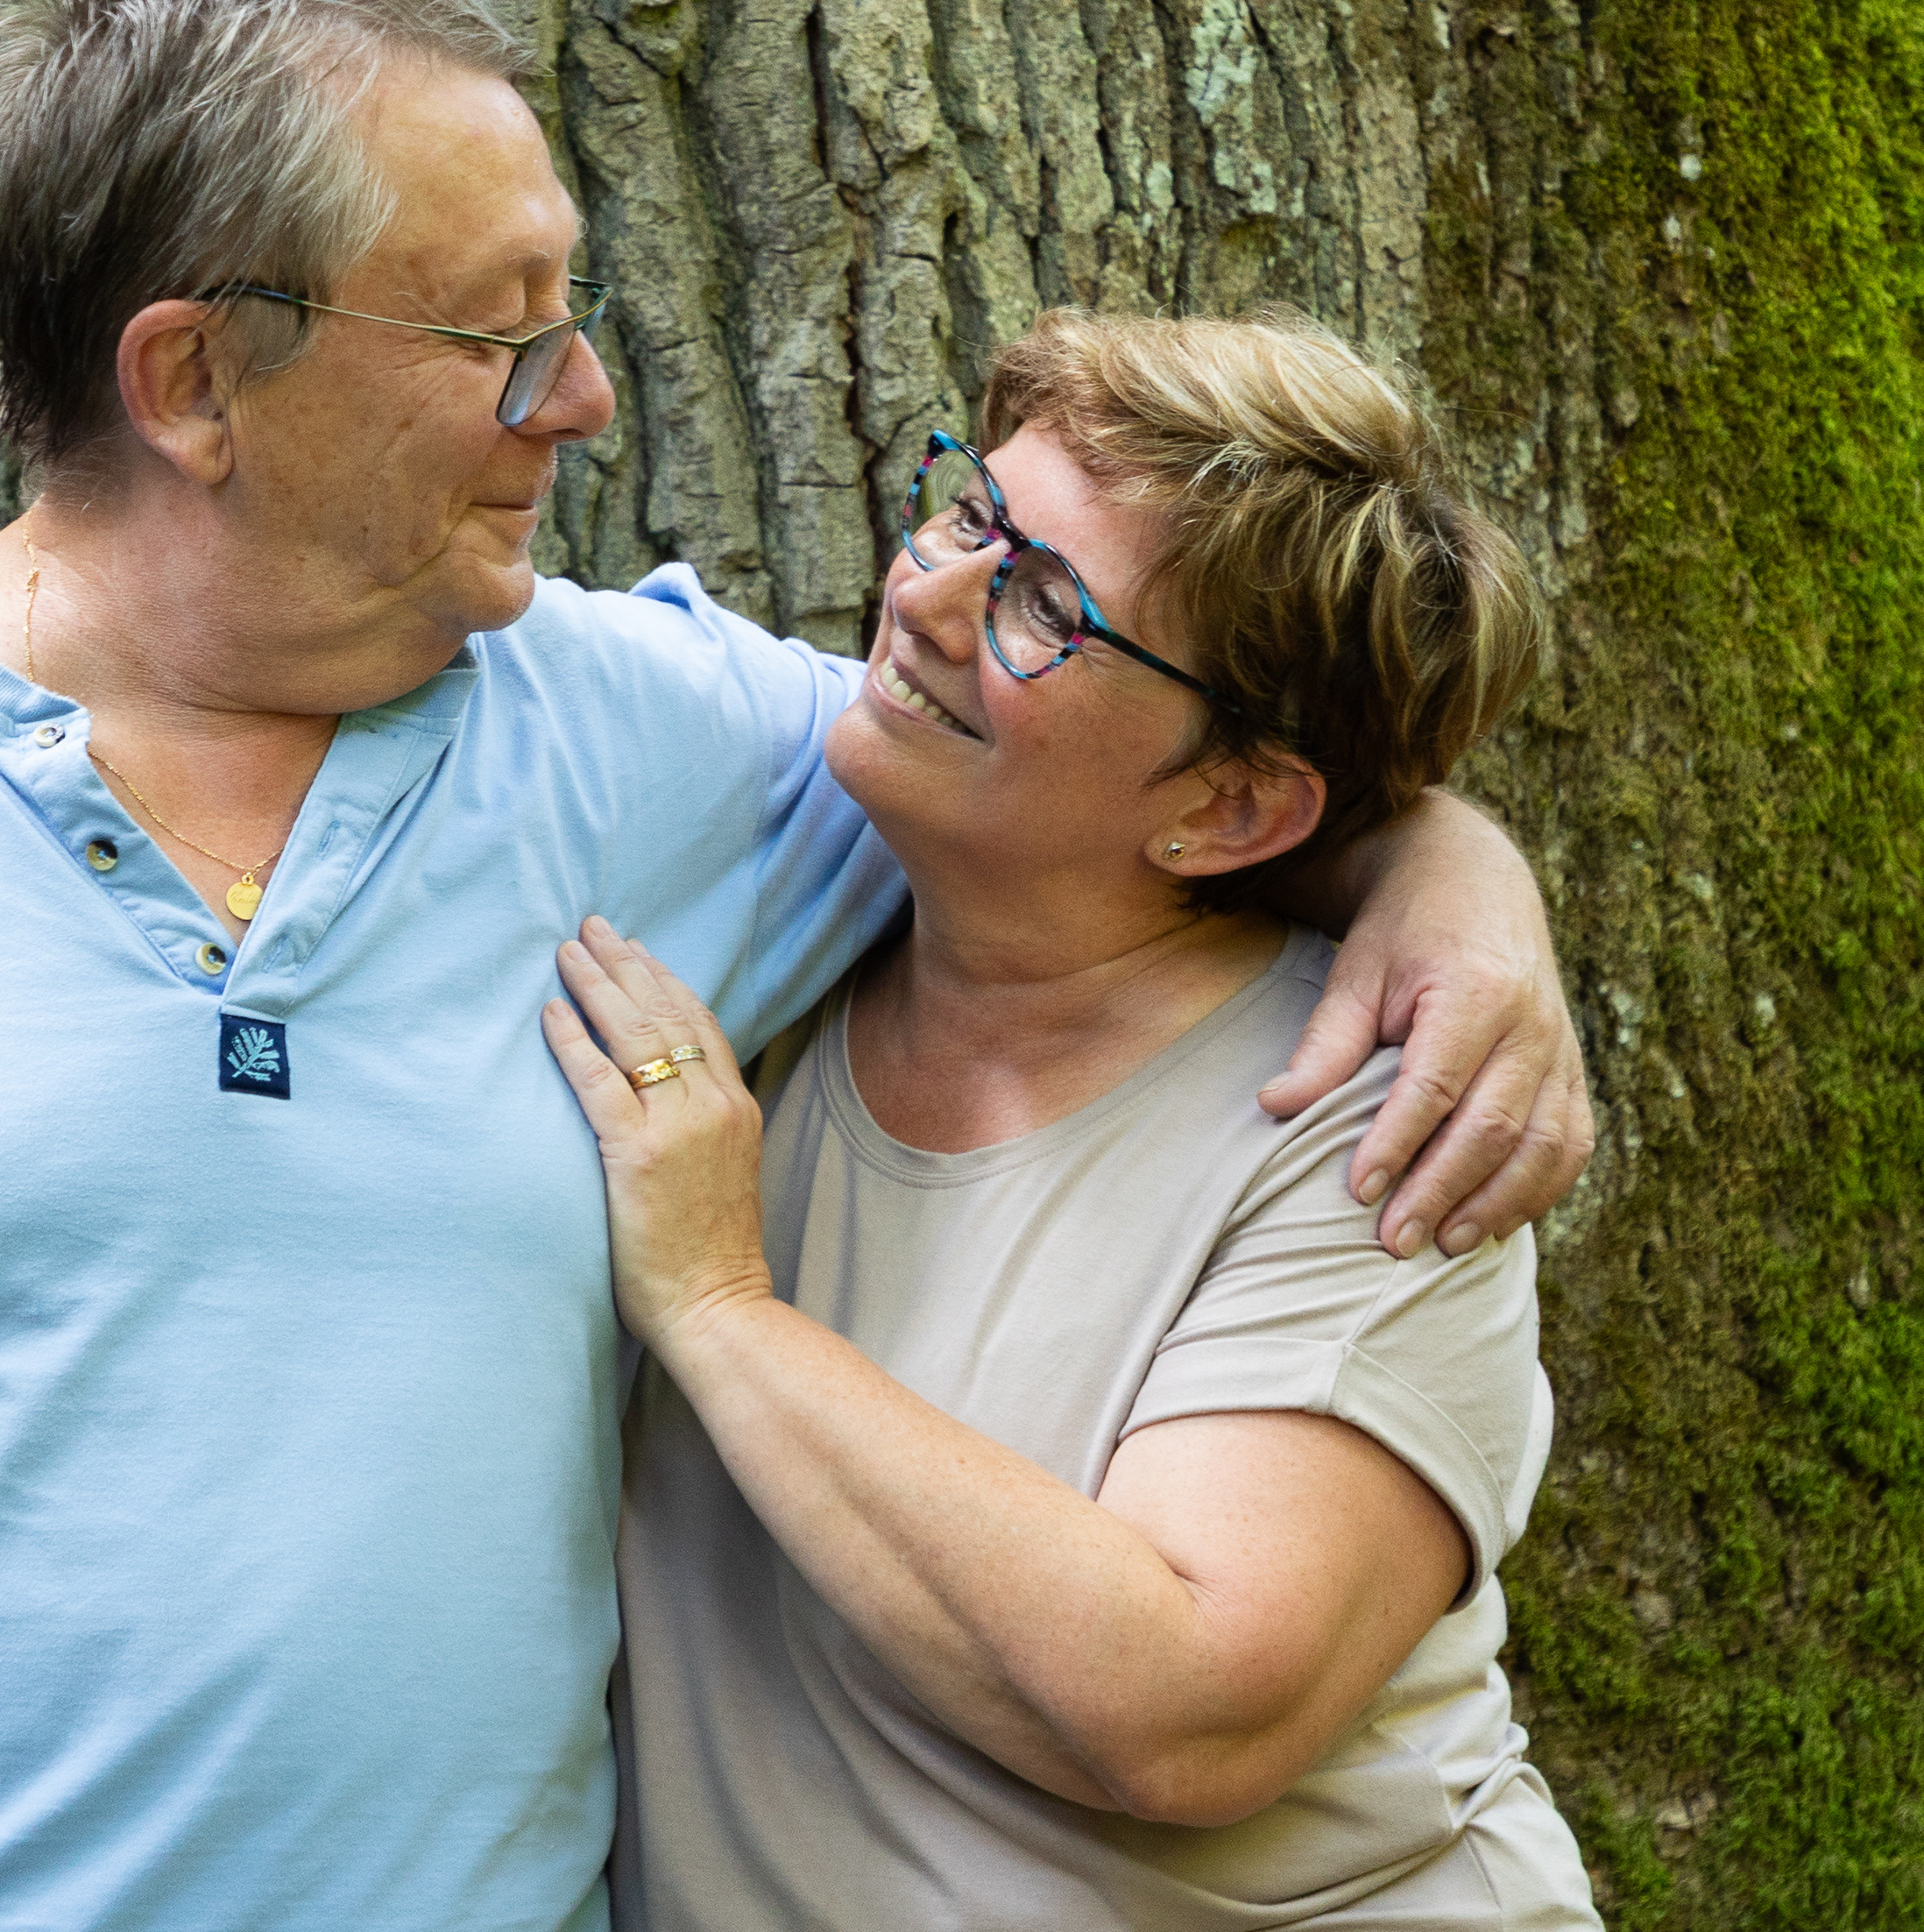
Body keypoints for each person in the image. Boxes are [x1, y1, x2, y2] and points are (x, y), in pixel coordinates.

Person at [0, 0, 1588, 1932]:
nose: (579, 397)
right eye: (498, 334)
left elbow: (1110, 808)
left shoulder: (686, 758)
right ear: (193, 381)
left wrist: (1446, 883)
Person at [535, 308, 1601, 1927]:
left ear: (1230, 807)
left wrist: (716, 1303)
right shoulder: (781, 923)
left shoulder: (1368, 1120)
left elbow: (1194, 1708)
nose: (931, 594)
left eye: (1046, 606)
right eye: (972, 513)